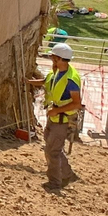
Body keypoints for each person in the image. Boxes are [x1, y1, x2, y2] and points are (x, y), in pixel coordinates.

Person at [27, 43, 82, 190]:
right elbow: (47, 82)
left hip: (62, 120)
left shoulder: (71, 80)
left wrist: (57, 111)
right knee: (53, 147)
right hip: (55, 117)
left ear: (58, 58)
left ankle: (55, 182)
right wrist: (29, 82)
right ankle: (67, 174)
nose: (51, 58)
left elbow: (77, 103)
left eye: (52, 57)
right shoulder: (58, 72)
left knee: (52, 151)